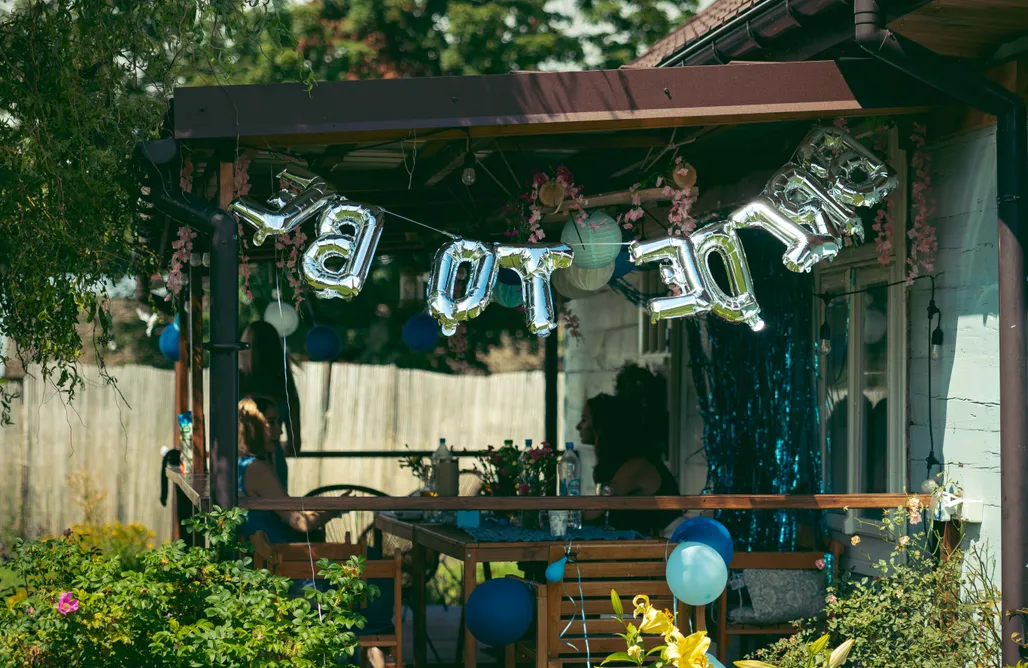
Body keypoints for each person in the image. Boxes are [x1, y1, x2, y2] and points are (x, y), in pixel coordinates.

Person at [237, 398, 392, 668]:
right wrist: (335, 509)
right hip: (291, 569)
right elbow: (300, 523)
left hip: (284, 562)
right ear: (250, 426)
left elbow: (286, 509)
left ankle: (372, 649)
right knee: (380, 567)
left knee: (373, 562)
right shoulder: (256, 469)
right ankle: (374, 642)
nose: (279, 430)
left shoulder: (243, 465)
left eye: (279, 423)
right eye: (271, 423)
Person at [577, 364, 681, 536]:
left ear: (601, 428)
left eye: (584, 420)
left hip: (668, 543)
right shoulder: (620, 461)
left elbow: (595, 510)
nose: (578, 427)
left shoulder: (636, 465)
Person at [239, 320, 302, 491]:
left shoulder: (236, 384)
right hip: (274, 463)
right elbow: (295, 445)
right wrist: (275, 441)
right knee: (279, 512)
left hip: (240, 464)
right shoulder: (285, 386)